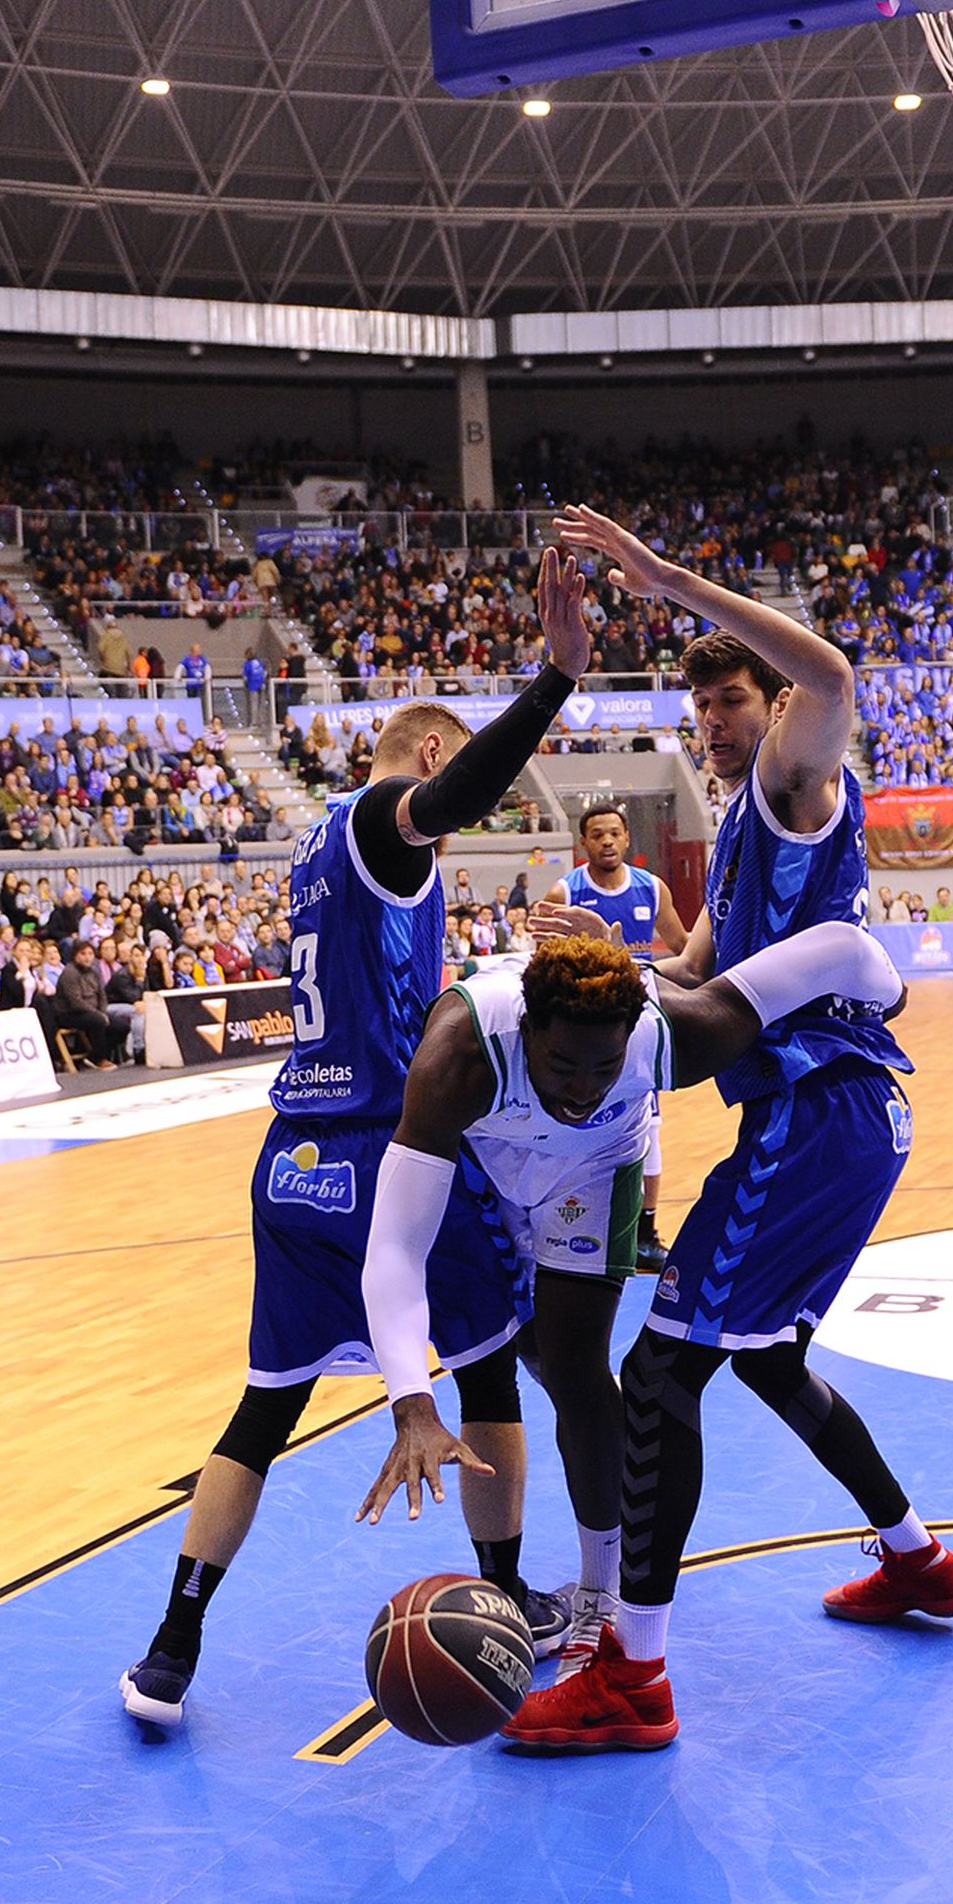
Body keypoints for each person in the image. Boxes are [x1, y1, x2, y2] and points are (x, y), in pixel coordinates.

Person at [502, 503, 953, 1753]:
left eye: (732, 701)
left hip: (814, 1112)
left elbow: (832, 673)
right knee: (759, 1354)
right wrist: (607, 954)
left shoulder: (792, 779)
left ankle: (634, 1679)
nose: (714, 722)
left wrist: (660, 578)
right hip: (843, 1116)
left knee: (659, 1372)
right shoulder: (737, 834)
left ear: (769, 711)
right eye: (700, 705)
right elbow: (694, 973)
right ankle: (917, 1558)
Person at [120, 547, 595, 1731]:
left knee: (262, 1408)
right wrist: (550, 681)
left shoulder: (314, 856)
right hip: (390, 1156)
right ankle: (506, 1598)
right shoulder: (385, 823)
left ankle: (170, 1645)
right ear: (427, 756)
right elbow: (454, 801)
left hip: (292, 1160)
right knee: (489, 1358)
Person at [356, 921, 907, 1688]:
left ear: (633, 1039)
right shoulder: (460, 1052)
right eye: (562, 1065)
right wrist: (412, 1404)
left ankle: (600, 1594)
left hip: (595, 1173)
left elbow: (846, 949)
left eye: (603, 1066)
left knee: (578, 1368)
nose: (583, 1088)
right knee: (527, 1351)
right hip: (484, 1163)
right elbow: (392, 1251)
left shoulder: (677, 1031)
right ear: (528, 1028)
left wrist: (894, 993)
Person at [546, 802, 689, 1271]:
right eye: (597, 835)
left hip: (638, 1025)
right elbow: (543, 961)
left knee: (649, 1129)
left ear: (627, 839)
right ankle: (565, 1223)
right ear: (583, 842)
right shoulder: (565, 891)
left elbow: (685, 950)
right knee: (575, 1123)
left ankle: (645, 1233)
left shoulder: (653, 888)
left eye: (614, 834)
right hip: (583, 1032)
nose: (607, 841)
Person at [53, 940, 127, 1067]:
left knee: (122, 1027)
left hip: (93, 1010)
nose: (87, 957)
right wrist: (98, 1014)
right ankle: (99, 1058)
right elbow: (75, 1001)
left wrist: (102, 1011)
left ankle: (95, 1054)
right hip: (69, 1013)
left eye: (90, 954)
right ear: (75, 955)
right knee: (98, 1020)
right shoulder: (69, 973)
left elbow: (102, 995)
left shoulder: (94, 971)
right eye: (83, 954)